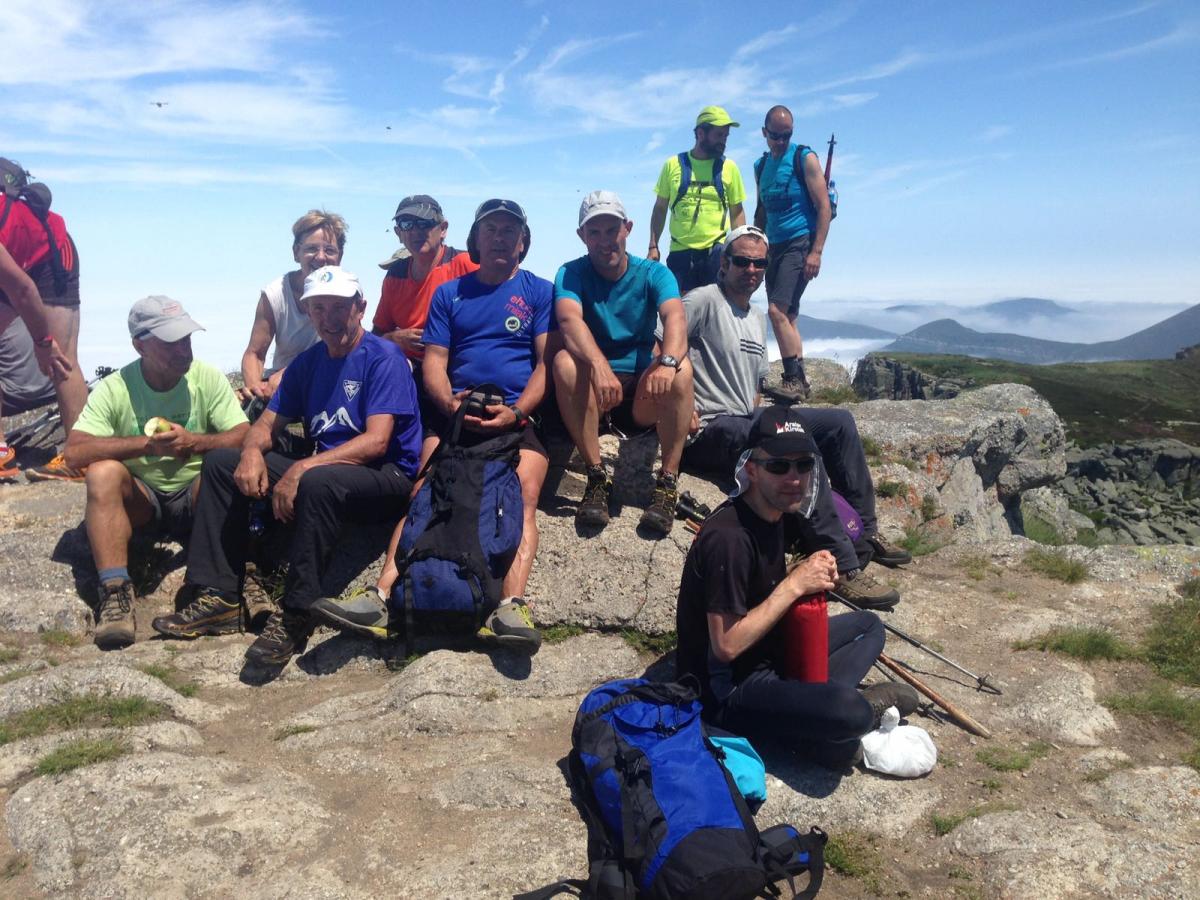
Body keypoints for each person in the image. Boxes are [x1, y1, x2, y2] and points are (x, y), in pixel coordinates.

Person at [313, 199, 552, 652]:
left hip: (516, 416)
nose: (500, 237)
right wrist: (448, 403)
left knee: (524, 492)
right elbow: (435, 364)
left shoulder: (539, 291)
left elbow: (545, 364)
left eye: (509, 230)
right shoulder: (451, 293)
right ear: (476, 240)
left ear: (523, 241)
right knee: (422, 490)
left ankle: (511, 605)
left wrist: (519, 412)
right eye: (491, 230)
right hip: (454, 414)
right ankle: (381, 596)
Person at [162, 266, 422, 672]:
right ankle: (220, 596)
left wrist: (300, 469)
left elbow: (378, 441)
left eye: (339, 307)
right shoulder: (309, 363)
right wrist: (250, 453)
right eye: (318, 309)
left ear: (360, 308)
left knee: (317, 480)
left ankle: (296, 613)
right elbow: (267, 424)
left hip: (386, 476)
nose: (329, 318)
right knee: (220, 462)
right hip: (331, 470)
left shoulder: (382, 358)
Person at [676, 225, 909, 607]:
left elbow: (755, 384)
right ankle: (845, 566)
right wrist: (683, 406)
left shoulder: (754, 316)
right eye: (742, 261)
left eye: (759, 264)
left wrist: (764, 414)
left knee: (839, 423)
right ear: (724, 263)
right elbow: (665, 350)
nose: (751, 269)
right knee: (791, 439)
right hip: (710, 429)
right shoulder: (702, 300)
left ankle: (864, 534)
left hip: (747, 420)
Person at [675, 405, 918, 771]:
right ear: (752, 469)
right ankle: (824, 722)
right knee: (849, 710)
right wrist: (794, 584)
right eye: (779, 466)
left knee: (868, 627)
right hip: (728, 690)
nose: (794, 477)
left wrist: (807, 569)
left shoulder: (773, 513)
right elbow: (725, 646)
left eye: (804, 465)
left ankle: (808, 720)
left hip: (769, 651)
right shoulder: (729, 538)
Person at [62, 296, 249, 650]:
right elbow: (74, 452)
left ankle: (222, 585)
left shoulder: (205, 378)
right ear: (139, 345)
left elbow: (243, 434)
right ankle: (115, 595)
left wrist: (195, 442)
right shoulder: (117, 387)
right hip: (142, 500)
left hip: (197, 496)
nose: (184, 349)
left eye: (187, 339)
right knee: (102, 472)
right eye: (172, 342)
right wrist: (146, 447)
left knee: (224, 462)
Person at [554, 190, 695, 535]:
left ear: (627, 228)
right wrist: (600, 366)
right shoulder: (571, 273)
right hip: (595, 392)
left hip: (642, 392)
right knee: (564, 362)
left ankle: (666, 483)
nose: (605, 241)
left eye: (611, 229)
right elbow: (570, 321)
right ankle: (597, 478)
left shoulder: (652, 273)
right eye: (594, 232)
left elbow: (675, 316)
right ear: (582, 236)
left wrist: (668, 361)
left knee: (681, 370)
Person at [0, 157, 89, 481]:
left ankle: (81, 456)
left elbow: (23, 291)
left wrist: (43, 342)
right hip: (13, 260)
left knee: (60, 360)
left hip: (51, 254)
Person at [752, 106, 832, 401]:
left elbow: (823, 205)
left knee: (776, 312)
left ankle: (793, 380)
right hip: (773, 245)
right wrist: (754, 244)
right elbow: (761, 209)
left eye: (787, 136)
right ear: (765, 133)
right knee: (790, 314)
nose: (781, 141)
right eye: (776, 136)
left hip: (800, 242)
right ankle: (801, 383)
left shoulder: (804, 158)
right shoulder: (761, 166)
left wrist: (817, 251)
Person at [238, 210, 347, 404]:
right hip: (281, 383)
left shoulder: (348, 293)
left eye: (329, 250)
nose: (320, 257)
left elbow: (346, 347)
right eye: (312, 249)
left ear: (340, 255)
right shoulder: (275, 295)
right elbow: (254, 353)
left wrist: (292, 371)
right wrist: (256, 393)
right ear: (296, 252)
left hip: (330, 375)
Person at [648, 107, 748, 293]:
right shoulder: (673, 165)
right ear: (700, 133)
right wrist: (653, 246)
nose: (723, 141)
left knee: (715, 315)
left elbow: (737, 211)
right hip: (680, 253)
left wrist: (740, 251)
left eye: (726, 136)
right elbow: (660, 208)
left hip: (717, 253)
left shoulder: (729, 168)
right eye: (719, 135)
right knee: (681, 314)